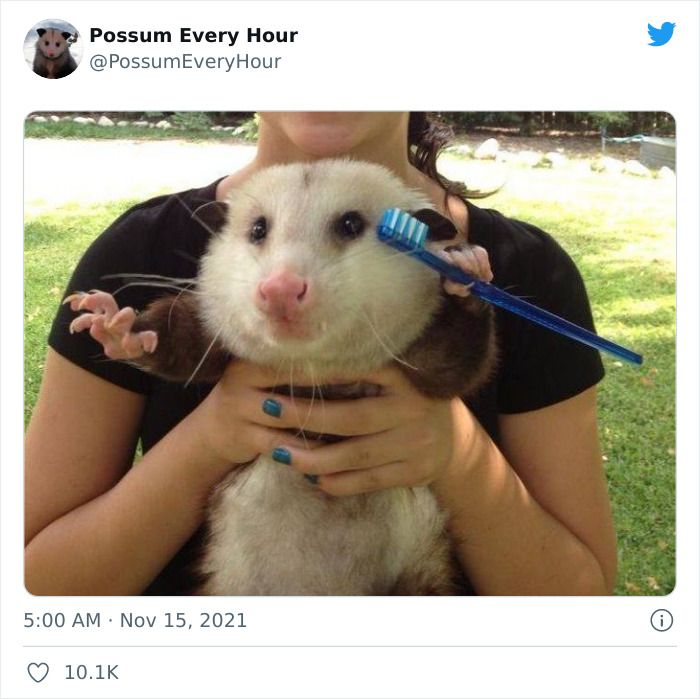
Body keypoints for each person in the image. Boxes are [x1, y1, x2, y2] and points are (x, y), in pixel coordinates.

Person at [24, 112, 617, 595]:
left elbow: (580, 604)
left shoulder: (524, 276)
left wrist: (458, 459)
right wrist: (210, 439)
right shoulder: (144, 251)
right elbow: (33, 584)